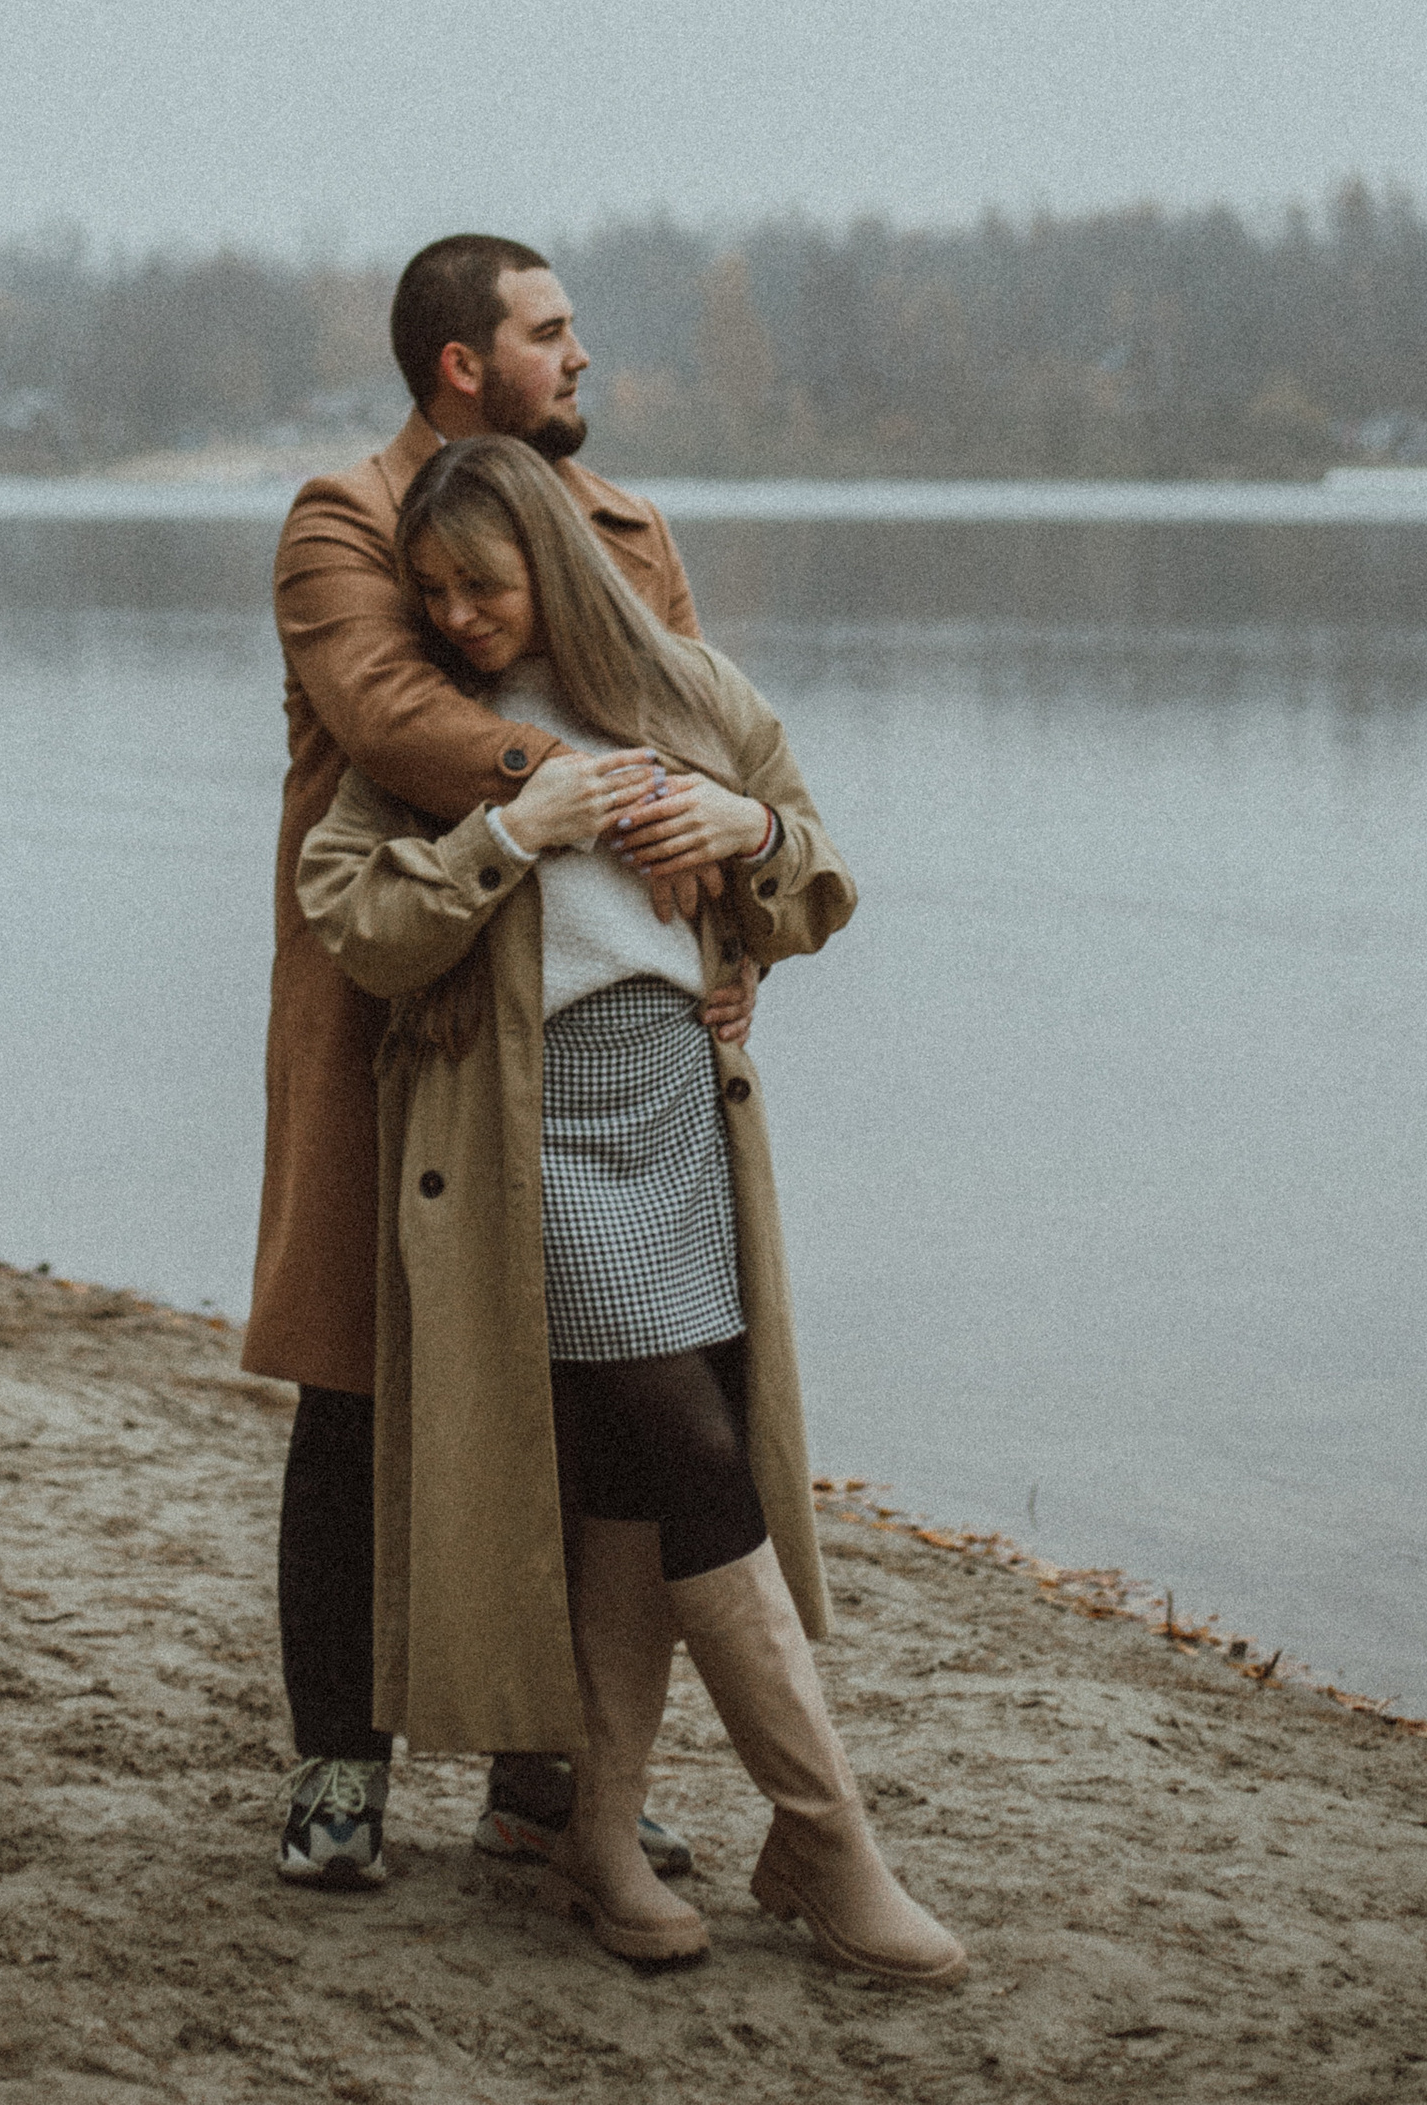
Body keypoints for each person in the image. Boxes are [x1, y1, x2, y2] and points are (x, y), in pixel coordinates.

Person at [297, 435, 968, 1989]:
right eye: (435, 592)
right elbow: (355, 922)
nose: (459, 616)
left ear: (556, 561)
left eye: (487, 584)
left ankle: (596, 1835)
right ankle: (827, 1833)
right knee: (689, 1444)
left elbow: (819, 878)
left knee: (628, 1478)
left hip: (678, 1108)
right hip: (525, 1133)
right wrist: (509, 834)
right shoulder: (431, 739)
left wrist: (749, 836)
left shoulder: (687, 691)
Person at [245, 233, 746, 1891]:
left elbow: (719, 743)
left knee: (583, 1394)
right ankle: (338, 1772)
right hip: (394, 1011)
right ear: (466, 362)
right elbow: (397, 721)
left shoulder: (630, 532)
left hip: (604, 1041)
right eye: (550, 332)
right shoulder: (344, 520)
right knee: (358, 1385)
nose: (581, 356)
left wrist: (730, 925)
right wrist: (604, 788)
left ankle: (548, 1782)